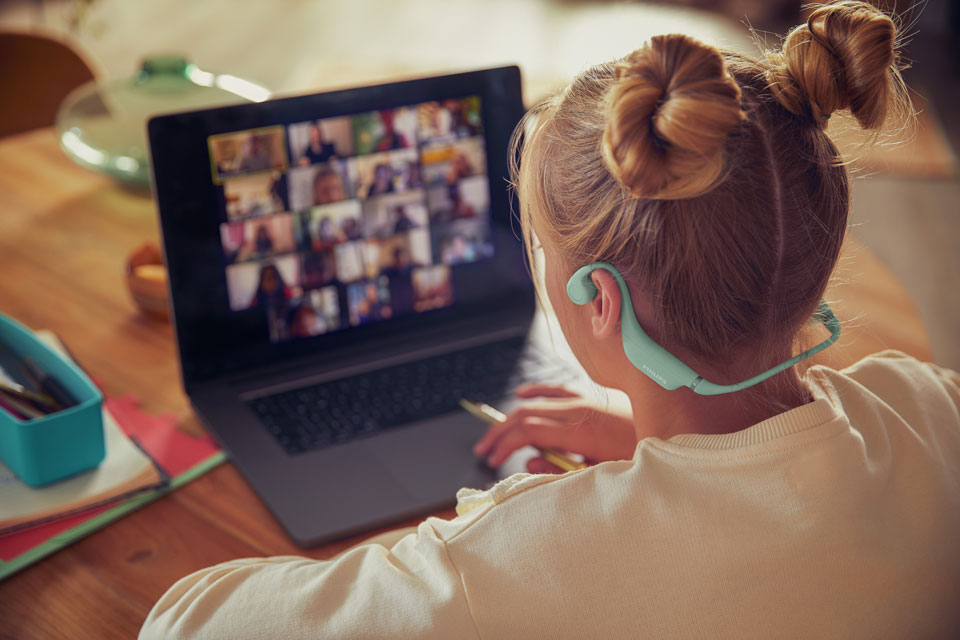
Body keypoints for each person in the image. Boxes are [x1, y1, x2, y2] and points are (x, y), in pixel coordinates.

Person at [141, 3, 960, 638]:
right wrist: (658, 449)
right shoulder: (929, 405)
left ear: (600, 301)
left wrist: (446, 561)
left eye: (540, 247)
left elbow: (181, 623)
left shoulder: (522, 559)